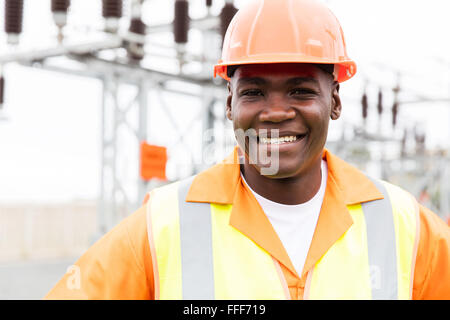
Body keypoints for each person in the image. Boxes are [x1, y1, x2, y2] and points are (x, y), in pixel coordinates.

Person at [45, 0, 450, 300]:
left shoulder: (404, 226)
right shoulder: (163, 226)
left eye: (301, 90)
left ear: (336, 101)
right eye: (254, 92)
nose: (275, 113)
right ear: (229, 104)